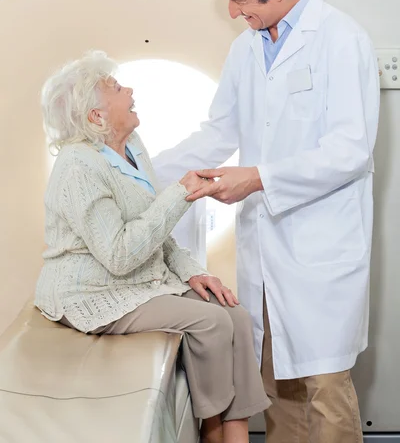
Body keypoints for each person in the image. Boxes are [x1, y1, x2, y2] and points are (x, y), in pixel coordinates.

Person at [152, 0, 380, 443]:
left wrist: (257, 179)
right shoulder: (246, 49)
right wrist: (146, 168)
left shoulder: (342, 41)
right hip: (266, 255)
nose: (232, 12)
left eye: (237, 1)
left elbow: (350, 150)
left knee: (323, 386)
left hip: (320, 250)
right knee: (277, 383)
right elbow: (221, 132)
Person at [34, 51, 270, 443]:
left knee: (235, 314)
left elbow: (154, 231)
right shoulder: (78, 168)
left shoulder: (132, 147)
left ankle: (236, 433)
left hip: (137, 281)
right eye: (116, 87)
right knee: (210, 322)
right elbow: (120, 254)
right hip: (91, 292)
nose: (129, 90)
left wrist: (194, 270)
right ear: (97, 117)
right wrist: (179, 193)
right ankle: (211, 432)